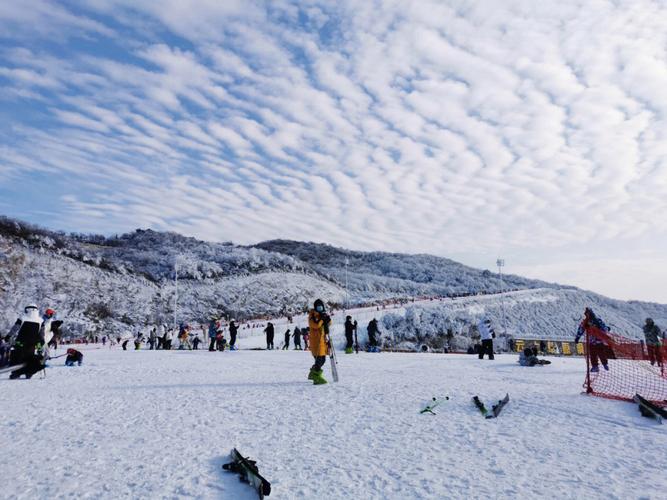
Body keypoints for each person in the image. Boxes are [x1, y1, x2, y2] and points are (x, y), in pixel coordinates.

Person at [8, 304, 45, 379]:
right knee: (30, 358)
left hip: (20, 343)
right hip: (32, 344)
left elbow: (15, 329)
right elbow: (41, 333)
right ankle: (29, 372)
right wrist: (41, 341)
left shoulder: (22, 318)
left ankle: (16, 373)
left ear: (27, 310)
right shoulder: (41, 321)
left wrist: (8, 336)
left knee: (17, 357)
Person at [575, 307, 611, 372]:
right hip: (591, 341)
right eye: (586, 314)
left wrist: (607, 328)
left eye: (588, 313)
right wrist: (577, 337)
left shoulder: (597, 320)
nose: (587, 315)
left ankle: (605, 364)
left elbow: (604, 328)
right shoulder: (585, 322)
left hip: (599, 340)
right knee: (592, 354)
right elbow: (581, 329)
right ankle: (595, 366)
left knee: (601, 353)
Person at [307, 299, 331, 385]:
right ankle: (316, 375)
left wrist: (327, 319)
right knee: (320, 359)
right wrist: (322, 320)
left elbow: (328, 324)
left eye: (321, 306)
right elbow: (315, 325)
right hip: (316, 341)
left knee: (322, 359)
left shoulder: (322, 315)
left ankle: (313, 373)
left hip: (322, 341)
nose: (320, 308)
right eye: (318, 307)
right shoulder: (312, 315)